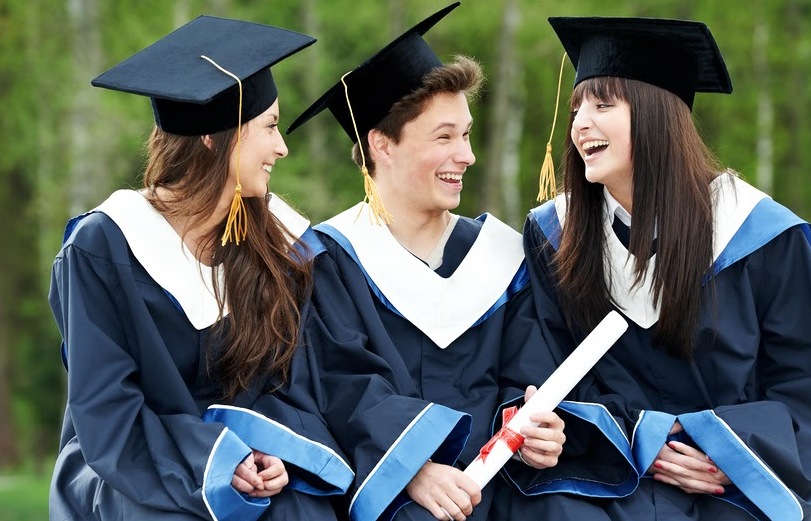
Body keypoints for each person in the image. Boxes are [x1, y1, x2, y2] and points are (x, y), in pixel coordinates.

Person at [286, 4, 635, 521]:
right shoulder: (327, 260)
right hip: (389, 490)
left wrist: (535, 425)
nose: (467, 155)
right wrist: (411, 467)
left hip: (504, 484)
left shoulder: (502, 256)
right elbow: (340, 387)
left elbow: (529, 370)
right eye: (444, 137)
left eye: (466, 134)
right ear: (382, 145)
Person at [524, 16, 811, 520]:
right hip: (610, 474)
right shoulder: (556, 236)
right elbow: (547, 372)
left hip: (733, 485)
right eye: (576, 109)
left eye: (602, 104)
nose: (580, 124)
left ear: (656, 115)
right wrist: (642, 438)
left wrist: (733, 457)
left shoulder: (760, 235)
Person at [48, 16, 354, 521]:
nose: (282, 147)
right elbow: (106, 409)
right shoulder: (104, 246)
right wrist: (214, 459)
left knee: (299, 507)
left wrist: (272, 454)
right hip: (131, 465)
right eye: (270, 126)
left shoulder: (275, 241)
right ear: (215, 137)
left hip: (247, 453)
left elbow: (291, 381)